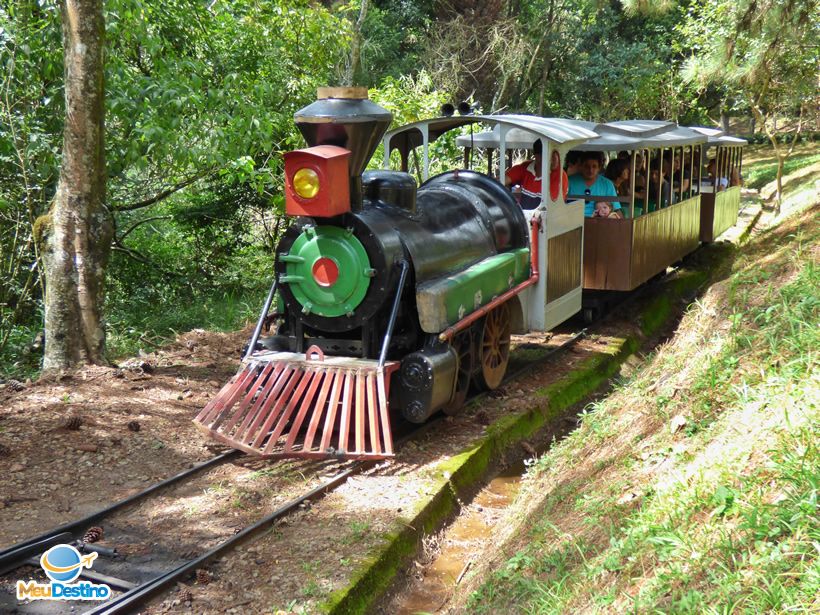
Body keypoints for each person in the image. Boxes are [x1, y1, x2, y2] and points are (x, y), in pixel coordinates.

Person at [505, 140, 568, 207]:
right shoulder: (524, 168)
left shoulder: (560, 177)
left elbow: (554, 208)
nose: (557, 159)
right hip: (524, 215)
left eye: (558, 154)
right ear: (537, 157)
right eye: (551, 155)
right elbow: (500, 182)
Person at [567, 151, 621, 217]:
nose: (590, 170)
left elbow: (616, 210)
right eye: (587, 166)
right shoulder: (569, 181)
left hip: (599, 223)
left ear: (599, 168)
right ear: (581, 166)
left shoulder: (607, 184)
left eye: (594, 166)